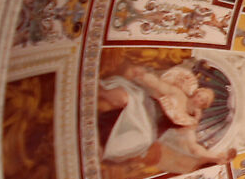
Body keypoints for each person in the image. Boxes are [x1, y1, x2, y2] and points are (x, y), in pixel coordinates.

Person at [99, 59, 234, 172]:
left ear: (204, 105)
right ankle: (99, 93)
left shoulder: (189, 121)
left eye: (203, 100)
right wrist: (143, 76)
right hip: (146, 107)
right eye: (200, 95)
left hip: (150, 129)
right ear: (196, 92)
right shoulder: (179, 93)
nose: (199, 98)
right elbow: (158, 85)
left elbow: (194, 148)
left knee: (140, 140)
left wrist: (215, 158)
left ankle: (103, 149)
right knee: (126, 98)